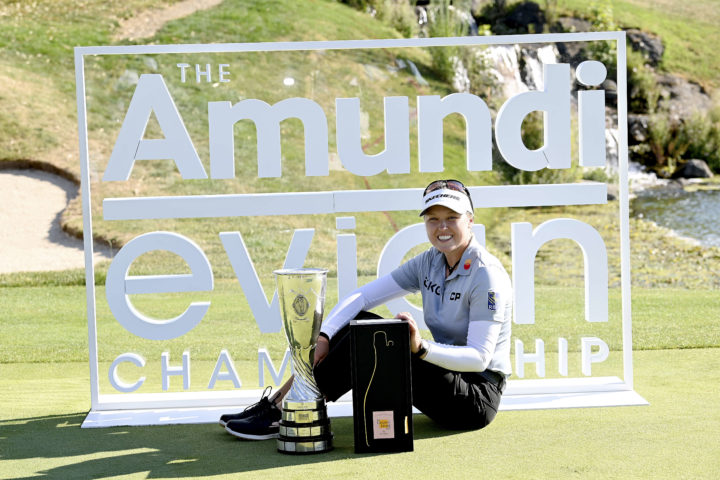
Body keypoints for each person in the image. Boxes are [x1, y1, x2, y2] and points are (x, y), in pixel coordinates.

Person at [222, 179, 512, 439]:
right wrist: (324, 335)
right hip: (447, 380)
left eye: (452, 218)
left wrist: (420, 348)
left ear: (470, 220)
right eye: (433, 219)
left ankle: (293, 410)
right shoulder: (430, 261)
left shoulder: (487, 274)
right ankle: (281, 402)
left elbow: (478, 358)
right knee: (357, 322)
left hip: (475, 399)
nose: (442, 227)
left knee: (380, 336)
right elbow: (362, 297)